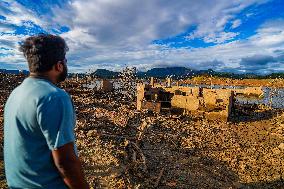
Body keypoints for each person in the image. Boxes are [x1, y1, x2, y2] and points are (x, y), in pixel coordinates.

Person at [4, 34, 90, 189]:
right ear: (59, 65)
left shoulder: (16, 93)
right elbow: (65, 162)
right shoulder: (55, 97)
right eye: (65, 60)